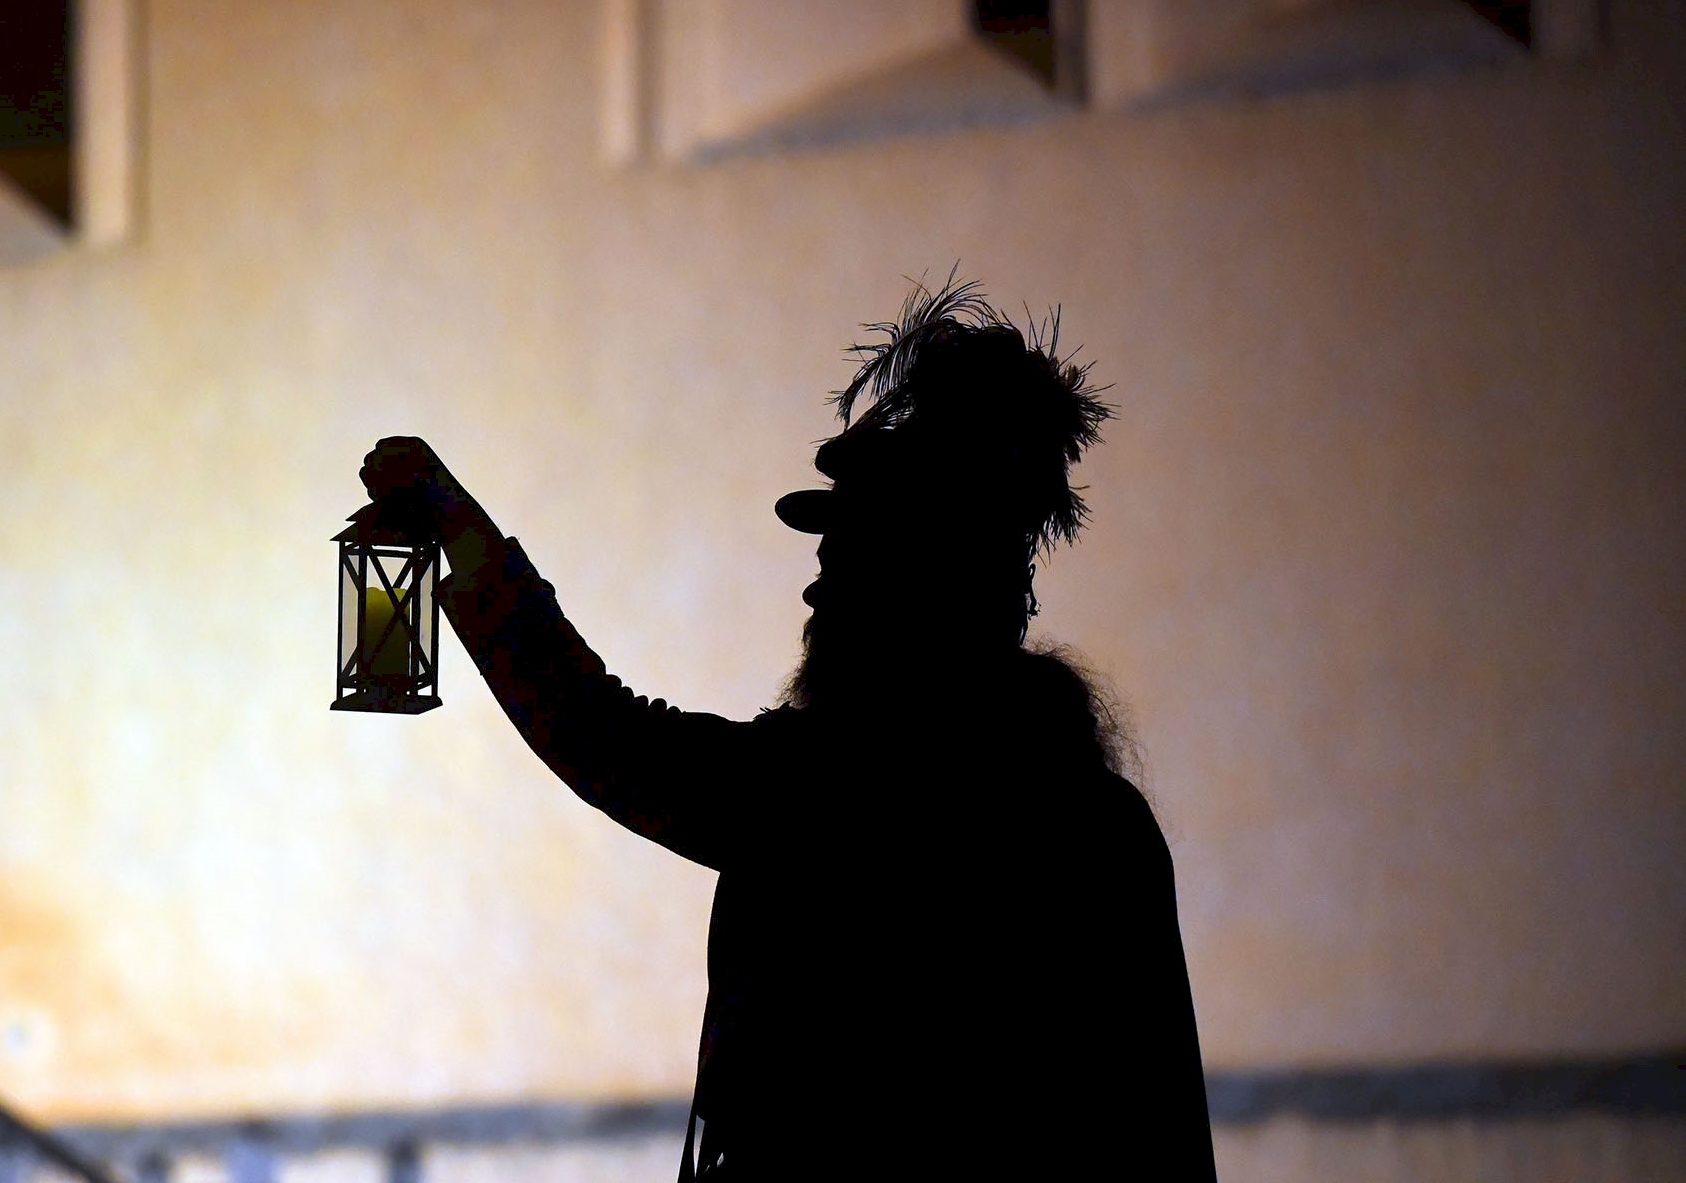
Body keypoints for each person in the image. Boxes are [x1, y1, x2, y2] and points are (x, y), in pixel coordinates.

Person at [356, 278, 1217, 1179]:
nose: (813, 592)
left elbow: (603, 736)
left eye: (845, 562)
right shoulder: (1099, 829)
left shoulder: (822, 794)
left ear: (921, 585)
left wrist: (462, 532)